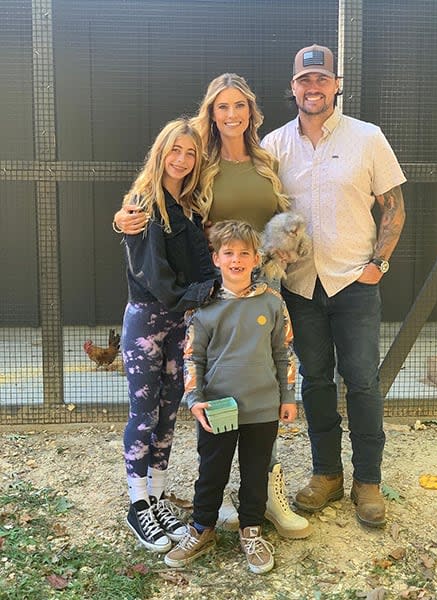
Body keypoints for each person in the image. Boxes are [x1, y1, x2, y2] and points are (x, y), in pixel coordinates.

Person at [113, 74, 311, 540]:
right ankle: (206, 495)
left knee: (264, 382)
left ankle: (265, 498)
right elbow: (159, 212)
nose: (231, 114)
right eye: (221, 106)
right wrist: (124, 219)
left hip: (262, 287)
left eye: (238, 105)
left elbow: (282, 217)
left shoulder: (267, 161)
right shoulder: (201, 167)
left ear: (250, 111)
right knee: (216, 386)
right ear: (211, 113)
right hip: (212, 292)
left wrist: (281, 249)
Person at [261, 44, 406, 528]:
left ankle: (368, 480)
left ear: (336, 85)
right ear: (293, 86)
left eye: (322, 79)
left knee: (363, 381)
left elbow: (393, 206)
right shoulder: (275, 145)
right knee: (315, 381)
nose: (313, 87)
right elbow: (263, 211)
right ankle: (327, 474)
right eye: (305, 80)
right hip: (302, 287)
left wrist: (378, 265)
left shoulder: (368, 138)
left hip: (354, 282)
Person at [164, 220, 297, 574]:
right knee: (212, 471)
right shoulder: (204, 307)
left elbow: (284, 351)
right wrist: (194, 399)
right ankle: (202, 528)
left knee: (255, 473)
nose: (236, 260)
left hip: (263, 406)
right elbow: (194, 357)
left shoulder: (272, 303)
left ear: (256, 259)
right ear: (216, 258)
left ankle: (251, 531)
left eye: (244, 254)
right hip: (218, 408)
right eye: (229, 253)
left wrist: (288, 396)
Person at [121, 118, 219, 553]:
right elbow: (155, 275)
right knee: (143, 413)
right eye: (175, 150)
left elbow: (201, 264)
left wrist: (217, 283)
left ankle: (158, 496)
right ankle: (137, 503)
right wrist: (203, 293)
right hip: (148, 320)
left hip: (180, 323)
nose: (181, 159)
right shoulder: (143, 203)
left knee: (166, 412)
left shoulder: (191, 208)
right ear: (161, 151)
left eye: (191, 152)